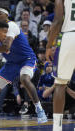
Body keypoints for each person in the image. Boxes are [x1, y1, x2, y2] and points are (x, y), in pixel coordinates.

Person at [46, 0, 75, 131]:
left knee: (60, 83)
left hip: (69, 35)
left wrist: (48, 45)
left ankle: (57, 127)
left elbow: (57, 20)